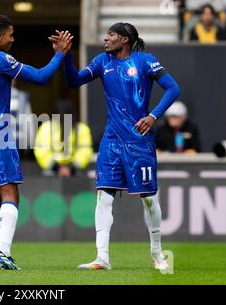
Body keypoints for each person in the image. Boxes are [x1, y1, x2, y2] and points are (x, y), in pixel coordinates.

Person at [63, 22, 181, 271]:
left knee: (149, 200)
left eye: (111, 35)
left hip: (139, 140)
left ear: (125, 39)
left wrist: (153, 116)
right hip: (112, 140)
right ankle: (102, 257)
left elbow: (173, 88)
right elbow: (73, 81)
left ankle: (157, 253)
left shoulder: (145, 61)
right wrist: (65, 56)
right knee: (104, 196)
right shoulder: (101, 62)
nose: (105, 39)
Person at [0, 14, 72, 270]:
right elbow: (42, 77)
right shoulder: (1, 60)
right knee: (10, 193)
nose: (13, 39)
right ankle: (4, 254)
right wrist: (60, 54)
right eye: (10, 34)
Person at [34, 99, 93, 177]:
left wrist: (71, 168)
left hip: (74, 171)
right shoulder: (46, 127)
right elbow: (41, 152)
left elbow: (85, 152)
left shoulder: (81, 129)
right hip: (53, 171)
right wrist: (57, 168)